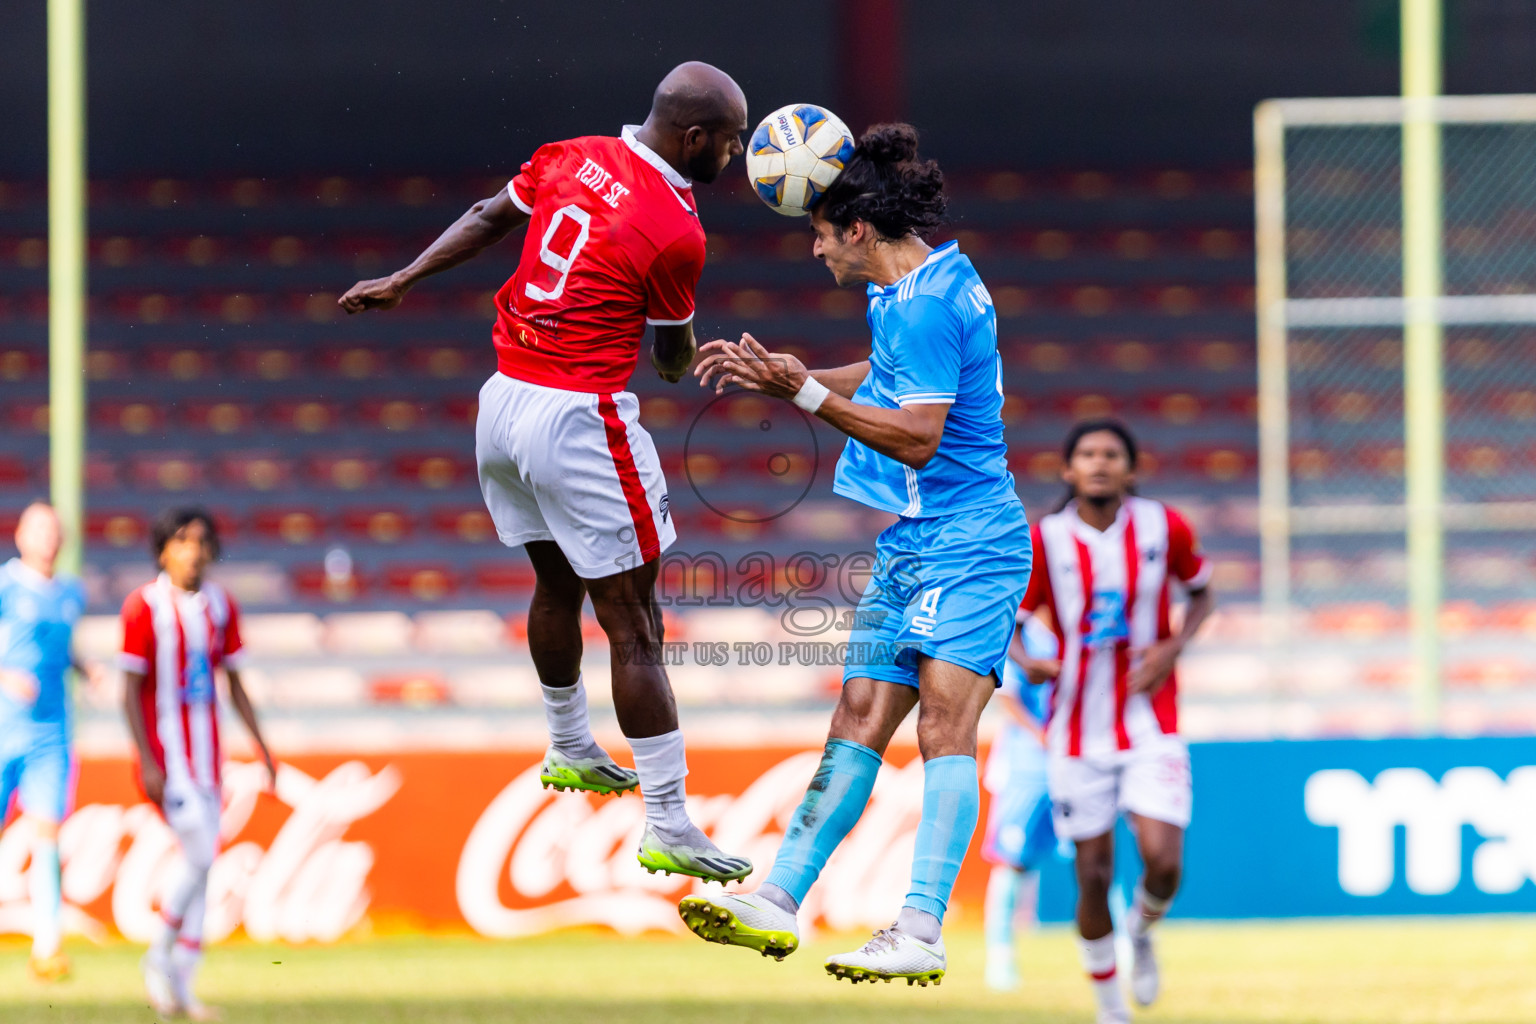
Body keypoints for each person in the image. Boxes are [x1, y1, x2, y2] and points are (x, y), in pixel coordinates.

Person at [337, 62, 753, 883]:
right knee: (635, 622)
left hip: (501, 403)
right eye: (732, 144)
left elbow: (490, 216)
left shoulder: (569, 153)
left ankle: (568, 745)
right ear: (695, 138)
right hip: (577, 416)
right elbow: (669, 360)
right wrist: (686, 349)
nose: (736, 158)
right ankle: (669, 823)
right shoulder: (675, 227)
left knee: (555, 587)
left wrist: (403, 279)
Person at [679, 123, 1032, 985]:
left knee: (946, 727)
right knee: (860, 716)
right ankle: (778, 899)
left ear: (859, 232)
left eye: (821, 233)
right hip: (916, 540)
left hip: (976, 541)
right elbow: (891, 376)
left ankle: (919, 926)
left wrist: (799, 391)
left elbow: (916, 435)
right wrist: (795, 375)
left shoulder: (928, 300)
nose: (815, 248)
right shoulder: (908, 288)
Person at [1016, 419, 1214, 1024]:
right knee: (1092, 874)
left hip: (1151, 724)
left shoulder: (1163, 526)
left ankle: (1143, 931)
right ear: (1067, 470)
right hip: (1075, 733)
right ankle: (1110, 1010)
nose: (1099, 463)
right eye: (1086, 454)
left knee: (1163, 861)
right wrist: (1030, 663)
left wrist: (1171, 648)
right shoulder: (1044, 540)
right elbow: (1012, 617)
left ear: (1130, 469)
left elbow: (1202, 592)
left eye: (1111, 454)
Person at [122, 507, 275, 1021]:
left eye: (202, 541)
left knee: (203, 867)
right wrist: (145, 759)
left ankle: (181, 988)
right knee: (202, 854)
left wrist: (263, 748)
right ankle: (159, 953)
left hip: (211, 759)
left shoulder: (220, 605)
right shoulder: (143, 606)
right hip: (169, 759)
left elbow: (234, 682)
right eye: (182, 540)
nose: (193, 550)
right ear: (163, 549)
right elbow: (129, 689)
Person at [0, 502, 104, 981]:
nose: (49, 537)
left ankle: (48, 947)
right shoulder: (6, 584)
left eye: (55, 530)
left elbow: (62, 648)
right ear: (20, 535)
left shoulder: (70, 593)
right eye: (39, 529)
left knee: (47, 835)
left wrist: (87, 668)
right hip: (4, 728)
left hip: (51, 733)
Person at [981, 614, 1064, 991]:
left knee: (1098, 855)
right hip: (1026, 767)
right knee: (1012, 861)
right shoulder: (1021, 634)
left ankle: (1118, 950)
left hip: (1075, 763)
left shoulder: (1075, 626)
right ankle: (1000, 957)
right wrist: (1042, 735)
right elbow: (1007, 698)